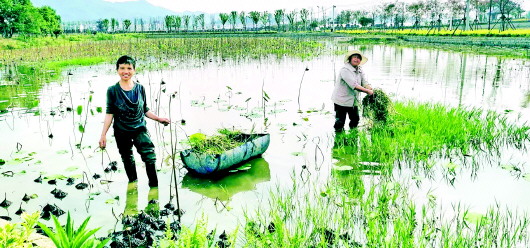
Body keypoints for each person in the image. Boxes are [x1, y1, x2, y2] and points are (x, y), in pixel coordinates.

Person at [99, 55, 170, 187]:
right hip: (121, 131)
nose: (125, 71)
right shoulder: (112, 91)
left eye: (129, 68)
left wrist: (159, 119)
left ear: (134, 70)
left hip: (139, 129)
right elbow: (109, 113)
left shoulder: (140, 88)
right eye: (122, 68)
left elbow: (145, 109)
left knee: (150, 157)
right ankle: (133, 184)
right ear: (117, 70)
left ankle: (154, 188)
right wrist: (103, 135)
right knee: (127, 158)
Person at [331, 50, 373, 132]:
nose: (356, 59)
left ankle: (353, 137)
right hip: (341, 101)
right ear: (350, 59)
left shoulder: (359, 69)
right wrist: (367, 91)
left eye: (358, 58)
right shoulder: (345, 70)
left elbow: (364, 82)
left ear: (360, 61)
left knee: (355, 120)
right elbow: (354, 85)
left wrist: (370, 88)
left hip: (353, 101)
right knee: (340, 122)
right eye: (354, 57)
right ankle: (338, 138)